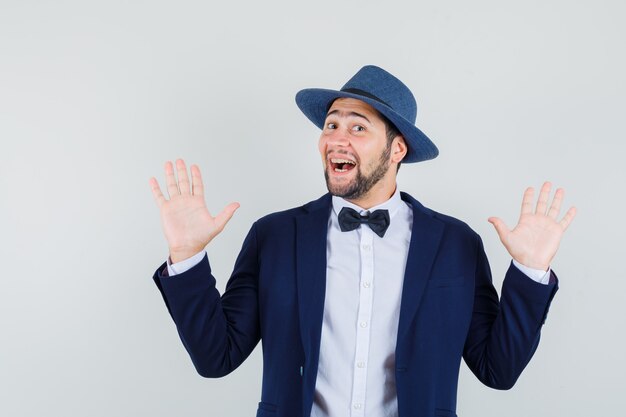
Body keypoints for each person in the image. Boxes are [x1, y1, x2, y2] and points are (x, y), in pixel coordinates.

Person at [149, 65, 576, 417]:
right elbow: (215, 357)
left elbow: (497, 370)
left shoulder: (455, 244)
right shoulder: (274, 237)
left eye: (358, 127)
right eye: (331, 124)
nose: (336, 137)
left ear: (397, 150)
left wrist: (530, 272)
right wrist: (187, 258)